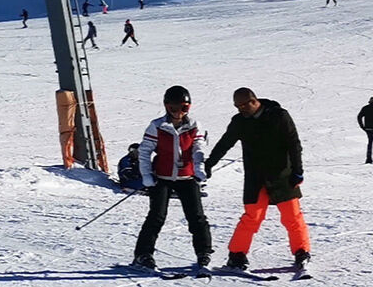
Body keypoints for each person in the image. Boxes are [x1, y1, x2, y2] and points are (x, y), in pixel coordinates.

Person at [205, 88, 311, 272]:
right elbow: (225, 143)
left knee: (292, 216)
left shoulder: (279, 116)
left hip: (282, 175)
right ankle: (236, 255)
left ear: (253, 101)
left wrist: (298, 171)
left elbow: (294, 144)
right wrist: (209, 164)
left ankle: (302, 252)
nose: (240, 110)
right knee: (252, 217)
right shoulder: (240, 121)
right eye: (237, 107)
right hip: (255, 178)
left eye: (243, 106)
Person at [131, 86, 213, 271]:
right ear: (167, 106)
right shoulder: (157, 126)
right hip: (162, 177)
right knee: (157, 216)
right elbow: (145, 151)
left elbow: (198, 148)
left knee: (196, 217)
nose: (178, 112)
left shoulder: (194, 125)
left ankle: (204, 252)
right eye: (174, 108)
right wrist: (146, 175)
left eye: (183, 108)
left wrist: (199, 167)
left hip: (187, 177)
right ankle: (143, 254)